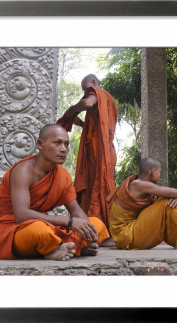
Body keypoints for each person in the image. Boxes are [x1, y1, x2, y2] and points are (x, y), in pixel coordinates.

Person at [0, 124, 112, 261]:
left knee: (96, 224)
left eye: (66, 144)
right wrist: (67, 221)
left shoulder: (63, 175)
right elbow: (21, 215)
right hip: (14, 229)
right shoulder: (23, 171)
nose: (64, 149)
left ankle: (57, 248)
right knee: (40, 232)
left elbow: (75, 209)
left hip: (48, 226)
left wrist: (88, 232)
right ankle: (64, 247)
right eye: (57, 143)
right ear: (41, 144)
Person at [107, 157, 177, 251]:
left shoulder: (142, 187)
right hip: (127, 235)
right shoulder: (139, 184)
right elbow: (175, 192)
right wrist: (172, 198)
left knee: (169, 204)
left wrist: (175, 201)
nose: (159, 175)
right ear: (152, 172)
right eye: (159, 172)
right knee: (167, 202)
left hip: (128, 234)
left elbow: (156, 210)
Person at [56, 74, 117, 230]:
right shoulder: (109, 101)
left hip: (98, 151)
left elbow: (87, 103)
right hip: (106, 150)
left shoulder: (98, 93)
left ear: (94, 83)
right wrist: (82, 123)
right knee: (95, 185)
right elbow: (98, 128)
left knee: (98, 185)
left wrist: (72, 110)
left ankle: (100, 226)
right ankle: (96, 224)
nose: (85, 91)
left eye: (86, 88)